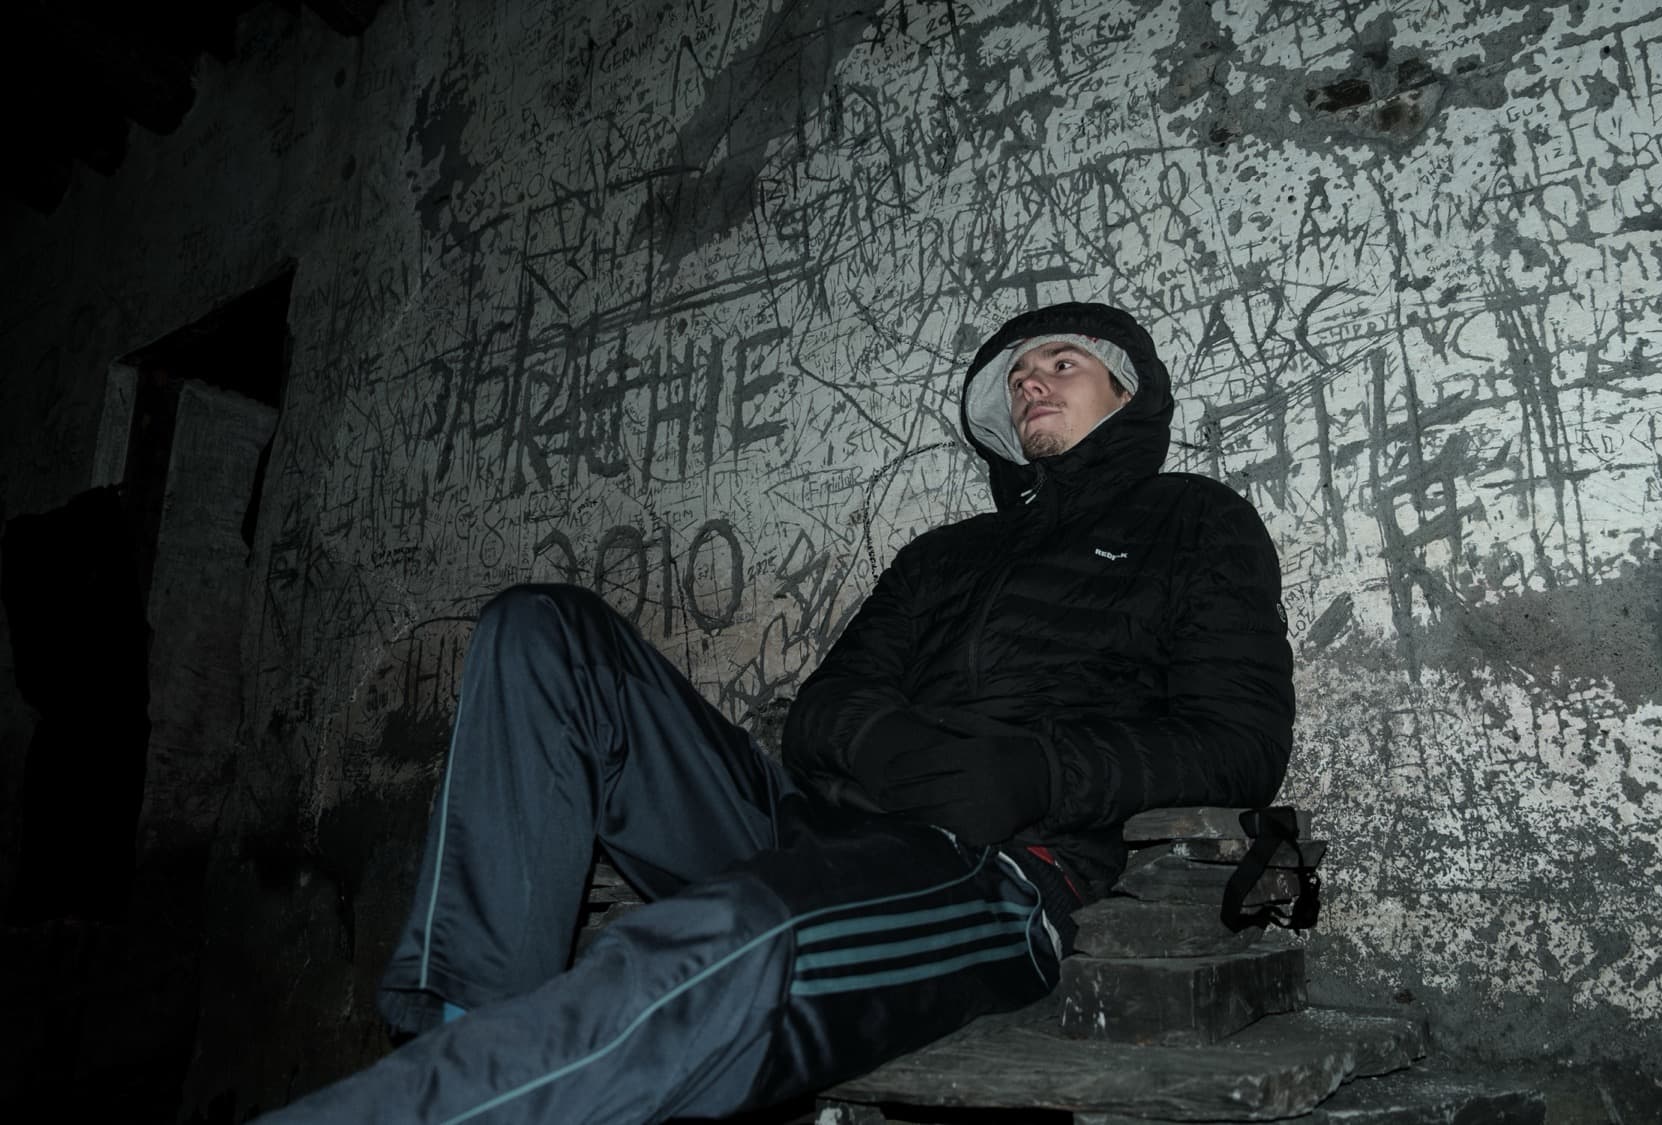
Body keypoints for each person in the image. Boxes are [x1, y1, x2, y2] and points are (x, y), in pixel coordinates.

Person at [257, 301, 1293, 1123]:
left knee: (732, 938)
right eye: (1016, 374)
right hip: (820, 814)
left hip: (993, 867)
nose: (1030, 379)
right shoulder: (946, 554)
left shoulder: (1195, 523)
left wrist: (1035, 774)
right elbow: (829, 703)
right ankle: (461, 1022)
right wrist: (881, 743)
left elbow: (1239, 743)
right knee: (544, 630)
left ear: (1129, 387)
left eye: (1059, 362)